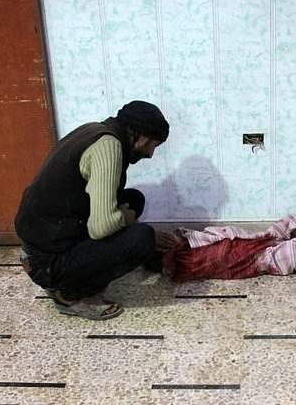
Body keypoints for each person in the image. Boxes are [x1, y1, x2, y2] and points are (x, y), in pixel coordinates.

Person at [15, 100, 177, 320]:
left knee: (133, 199)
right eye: (152, 146)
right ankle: (69, 295)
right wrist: (128, 220)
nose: (150, 154)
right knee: (142, 238)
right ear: (140, 136)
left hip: (45, 238)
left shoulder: (95, 130)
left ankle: (64, 273)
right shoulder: (109, 147)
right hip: (46, 260)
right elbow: (101, 228)